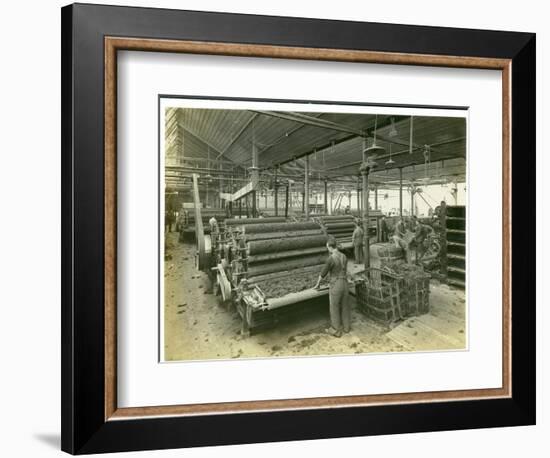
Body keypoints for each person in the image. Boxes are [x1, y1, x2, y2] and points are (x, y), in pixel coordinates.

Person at [314, 237, 350, 337]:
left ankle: (336, 330)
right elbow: (345, 270)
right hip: (345, 283)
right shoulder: (344, 256)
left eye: (327, 248)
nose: (328, 250)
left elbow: (323, 273)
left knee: (334, 307)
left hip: (336, 285)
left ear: (330, 247)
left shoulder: (331, 258)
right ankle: (347, 328)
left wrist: (317, 284)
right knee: (345, 306)